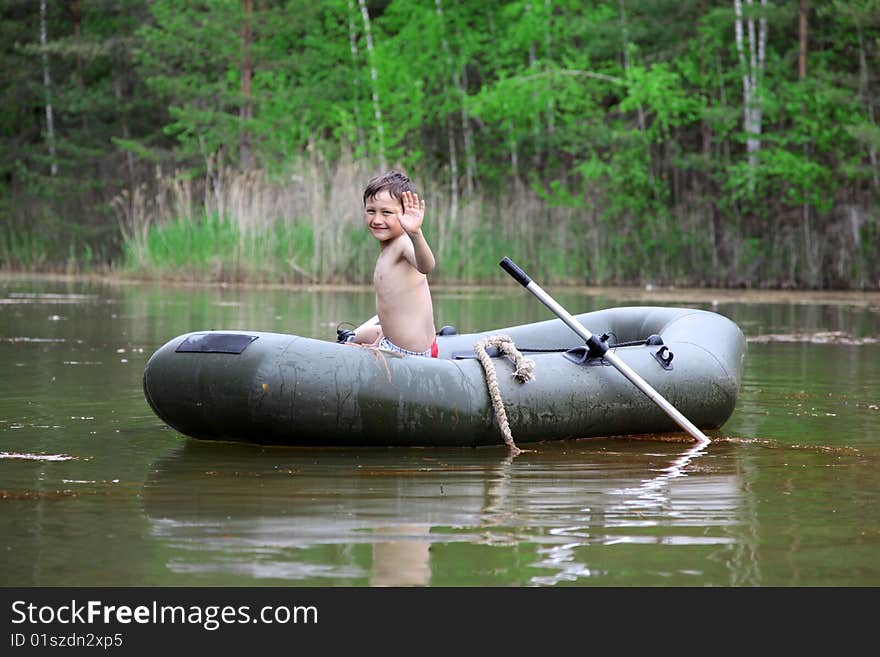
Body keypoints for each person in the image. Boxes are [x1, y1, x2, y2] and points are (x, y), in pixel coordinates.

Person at [343, 170, 438, 357]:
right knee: (359, 335)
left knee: (348, 348)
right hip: (391, 341)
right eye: (371, 211)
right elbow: (391, 313)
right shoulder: (387, 249)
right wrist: (376, 344)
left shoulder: (404, 243)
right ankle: (361, 342)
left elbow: (426, 266)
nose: (377, 220)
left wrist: (416, 234)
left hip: (410, 353)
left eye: (386, 213)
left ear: (404, 214)